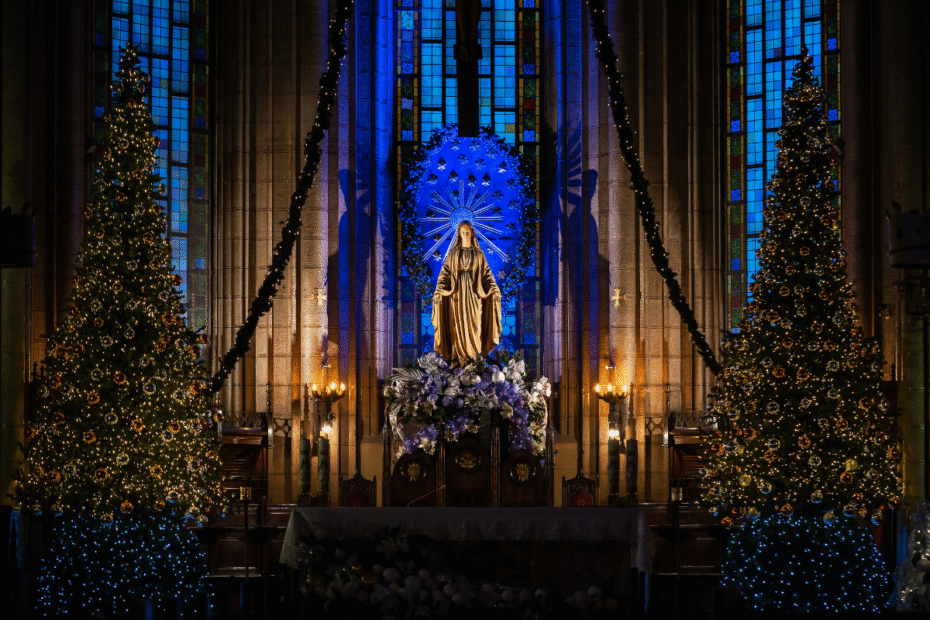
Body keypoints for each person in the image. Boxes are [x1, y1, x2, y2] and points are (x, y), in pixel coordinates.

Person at [431, 221, 502, 366]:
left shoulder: (479, 254)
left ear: (472, 234)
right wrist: (439, 289)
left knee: (475, 328)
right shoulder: (453, 254)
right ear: (459, 234)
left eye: (467, 232)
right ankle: (457, 360)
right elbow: (444, 274)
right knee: (457, 329)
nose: (465, 235)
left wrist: (494, 288)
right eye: (462, 233)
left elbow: (487, 274)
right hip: (456, 297)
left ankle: (475, 362)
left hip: (475, 296)